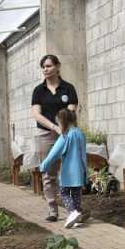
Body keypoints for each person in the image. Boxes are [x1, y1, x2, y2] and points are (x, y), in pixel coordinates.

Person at [31, 54, 79, 222]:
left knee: (70, 171)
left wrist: (63, 129)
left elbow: (71, 111)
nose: (45, 69)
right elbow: (36, 114)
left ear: (58, 67)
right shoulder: (39, 90)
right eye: (43, 67)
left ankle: (73, 210)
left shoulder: (68, 88)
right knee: (48, 173)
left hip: (67, 135)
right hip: (46, 135)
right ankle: (53, 210)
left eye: (49, 66)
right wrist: (54, 127)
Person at [39, 109, 89, 229]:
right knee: (76, 194)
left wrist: (43, 166)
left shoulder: (65, 136)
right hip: (80, 171)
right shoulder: (80, 134)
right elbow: (83, 154)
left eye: (59, 123)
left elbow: (54, 153)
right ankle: (77, 216)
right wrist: (85, 172)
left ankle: (72, 213)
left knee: (64, 192)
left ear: (63, 122)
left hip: (68, 172)